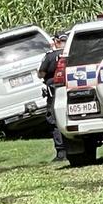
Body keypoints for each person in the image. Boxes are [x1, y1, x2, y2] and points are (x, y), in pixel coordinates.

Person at [38, 32, 68, 161]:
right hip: (70, 88)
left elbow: (41, 73)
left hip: (53, 89)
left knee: (54, 118)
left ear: (55, 41)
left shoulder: (50, 56)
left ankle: (61, 151)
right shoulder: (72, 53)